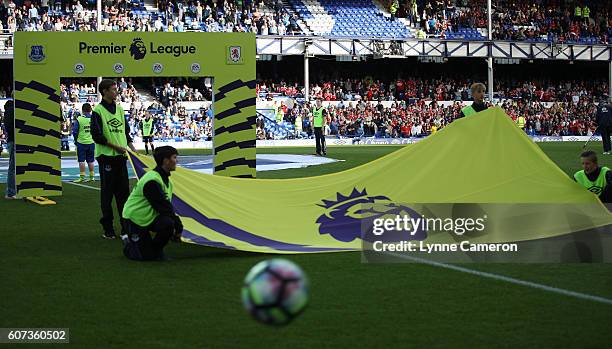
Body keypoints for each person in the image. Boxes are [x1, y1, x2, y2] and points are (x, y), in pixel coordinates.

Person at [91, 79, 137, 240]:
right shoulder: (97, 111)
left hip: (121, 158)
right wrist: (115, 147)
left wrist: (134, 150)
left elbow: (126, 133)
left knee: (124, 195)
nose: (116, 91)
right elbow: (97, 136)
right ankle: (108, 229)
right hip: (106, 158)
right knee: (107, 194)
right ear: (104, 91)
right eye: (113, 89)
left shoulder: (119, 109)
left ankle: (125, 228)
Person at [122, 146, 183, 261]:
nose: (177, 161)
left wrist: (175, 224)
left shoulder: (164, 179)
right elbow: (163, 207)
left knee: (168, 224)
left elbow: (165, 206)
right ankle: (128, 244)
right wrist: (178, 226)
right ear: (166, 160)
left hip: (149, 217)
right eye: (174, 158)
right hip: (135, 219)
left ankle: (155, 251)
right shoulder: (152, 181)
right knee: (142, 257)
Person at [72, 103, 96, 182]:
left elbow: (75, 132)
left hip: (81, 142)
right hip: (91, 142)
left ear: (82, 110)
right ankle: (92, 177)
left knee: (81, 160)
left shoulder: (79, 119)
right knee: (91, 160)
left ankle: (82, 177)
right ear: (90, 110)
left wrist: (76, 141)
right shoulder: (93, 119)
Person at [3, 100, 17, 199]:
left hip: (11, 140)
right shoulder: (13, 110)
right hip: (15, 140)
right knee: (13, 168)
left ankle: (11, 191)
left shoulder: (7, 112)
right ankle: (11, 192)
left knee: (12, 167)